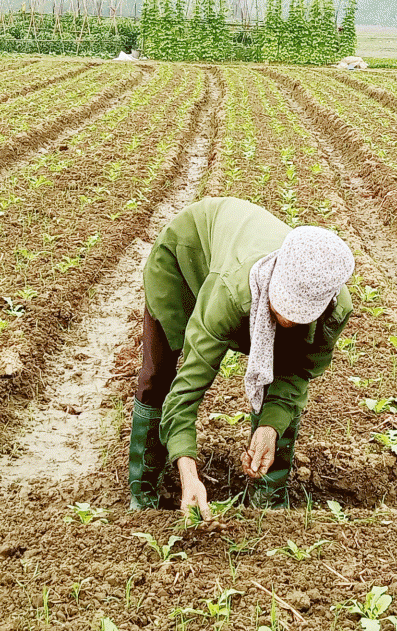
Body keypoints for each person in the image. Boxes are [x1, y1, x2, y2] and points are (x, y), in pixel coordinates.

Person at [128, 197, 355, 519]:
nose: (289, 320)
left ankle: (268, 498)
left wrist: (269, 429)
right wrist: (188, 472)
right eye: (283, 305)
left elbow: (295, 374)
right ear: (274, 278)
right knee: (158, 375)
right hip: (186, 257)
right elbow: (190, 385)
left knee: (282, 396)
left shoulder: (335, 308)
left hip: (237, 272)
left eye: (300, 314)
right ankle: (144, 490)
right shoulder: (231, 292)